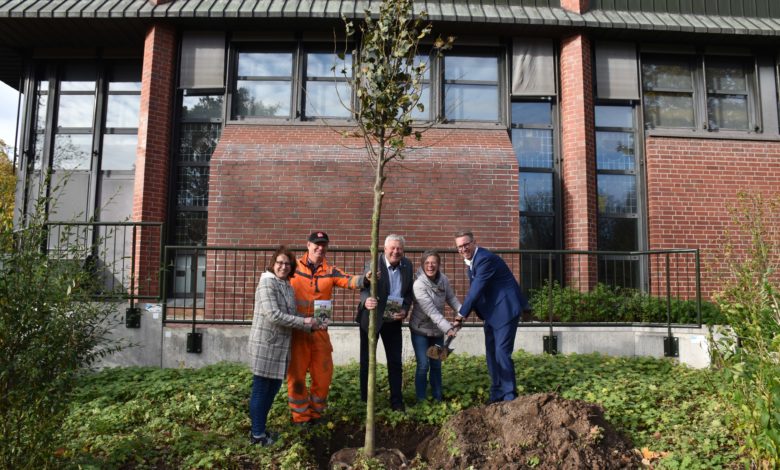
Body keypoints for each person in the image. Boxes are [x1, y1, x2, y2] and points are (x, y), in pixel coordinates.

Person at [287, 231, 370, 425]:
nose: (320, 248)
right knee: (296, 377)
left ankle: (316, 415)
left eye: (323, 245)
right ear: (308, 245)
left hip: (319, 332)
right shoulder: (293, 267)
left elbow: (349, 280)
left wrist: (365, 279)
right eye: (316, 244)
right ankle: (300, 419)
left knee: (323, 376)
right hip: (298, 331)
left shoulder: (330, 270)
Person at [248, 246, 323, 445]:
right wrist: (304, 323)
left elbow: (292, 314)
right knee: (261, 390)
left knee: (272, 390)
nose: (283, 267)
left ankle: (260, 429)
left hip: (281, 348)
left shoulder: (287, 286)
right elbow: (273, 315)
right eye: (279, 263)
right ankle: (257, 435)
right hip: (266, 346)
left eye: (287, 264)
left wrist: (311, 322)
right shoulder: (267, 283)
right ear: (273, 264)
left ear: (291, 268)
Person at [453, 230, 529, 403]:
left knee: (502, 353)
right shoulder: (472, 263)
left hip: (505, 310)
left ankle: (509, 396)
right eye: (459, 247)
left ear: (474, 242)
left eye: (466, 244)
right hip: (492, 314)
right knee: (491, 354)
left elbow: (476, 290)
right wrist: (463, 317)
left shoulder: (485, 259)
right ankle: (497, 394)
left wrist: (460, 315)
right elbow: (478, 294)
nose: (463, 249)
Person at [357, 234, 414, 411]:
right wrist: (366, 300)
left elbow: (408, 293)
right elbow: (364, 285)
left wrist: (405, 309)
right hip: (371, 319)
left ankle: (396, 402)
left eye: (399, 249)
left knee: (395, 362)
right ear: (385, 249)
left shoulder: (407, 265)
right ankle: (366, 401)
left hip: (393, 320)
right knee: (367, 360)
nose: (396, 252)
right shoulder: (373, 263)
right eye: (393, 248)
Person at [410, 250, 460, 403]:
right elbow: (432, 311)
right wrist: (449, 328)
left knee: (436, 365)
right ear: (422, 264)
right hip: (421, 330)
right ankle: (421, 400)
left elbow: (451, 298)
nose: (430, 266)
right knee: (423, 365)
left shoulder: (443, 279)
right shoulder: (418, 284)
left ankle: (438, 398)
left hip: (437, 331)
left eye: (433, 263)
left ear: (438, 264)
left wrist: (461, 312)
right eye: (427, 263)